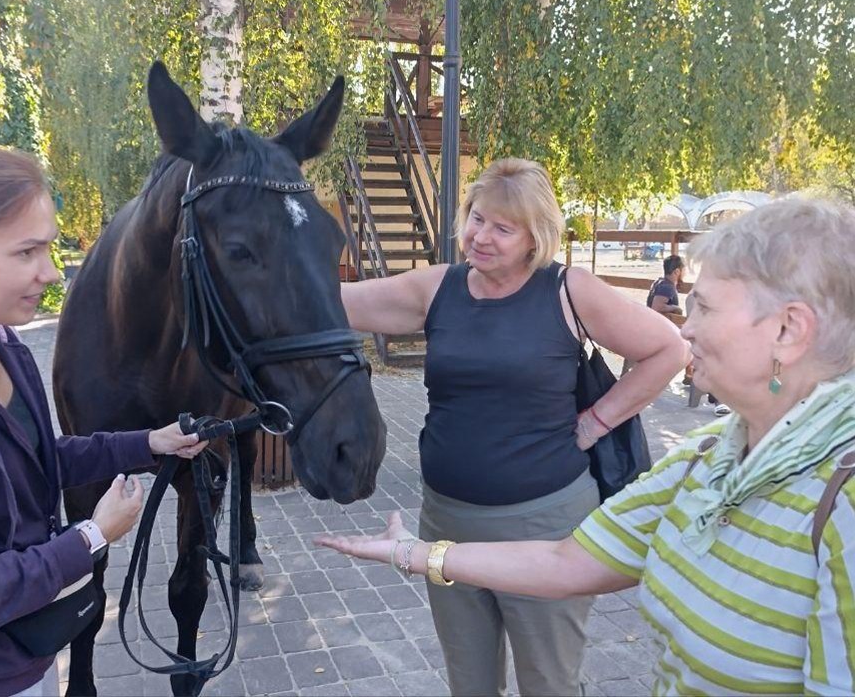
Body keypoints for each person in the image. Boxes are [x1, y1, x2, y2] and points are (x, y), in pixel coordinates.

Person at [321, 197, 855, 695]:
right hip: (450, 514)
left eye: (706, 309)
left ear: (788, 329)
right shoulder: (711, 455)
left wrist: (594, 422)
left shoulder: (842, 504)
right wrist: (411, 552)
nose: (686, 331)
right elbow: (566, 563)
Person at [339, 158, 687, 696]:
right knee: (469, 684)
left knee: (548, 682)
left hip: (544, 527)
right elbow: (332, 305)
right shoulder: (438, 288)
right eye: (477, 218)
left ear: (535, 237)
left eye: (503, 228)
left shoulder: (569, 291)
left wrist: (597, 420)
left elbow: (669, 349)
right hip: (446, 520)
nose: (481, 236)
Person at [0, 143, 208, 697]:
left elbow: (33, 462)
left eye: (51, 249)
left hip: (24, 657)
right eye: (26, 253)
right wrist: (90, 537)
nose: (51, 273)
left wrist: (148, 443)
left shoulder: (5, 346)